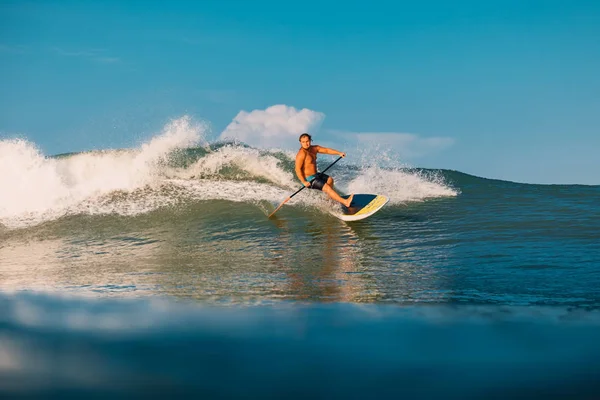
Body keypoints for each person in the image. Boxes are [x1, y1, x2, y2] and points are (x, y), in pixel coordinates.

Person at [295, 133, 354, 208]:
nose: (306, 144)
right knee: (327, 188)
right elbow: (297, 169)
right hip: (309, 179)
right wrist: (304, 181)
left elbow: (326, 150)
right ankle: (346, 202)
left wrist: (339, 153)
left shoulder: (314, 148)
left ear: (310, 140)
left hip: (315, 175)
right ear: (300, 142)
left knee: (330, 180)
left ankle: (329, 200)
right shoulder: (301, 154)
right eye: (303, 142)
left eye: (307, 141)